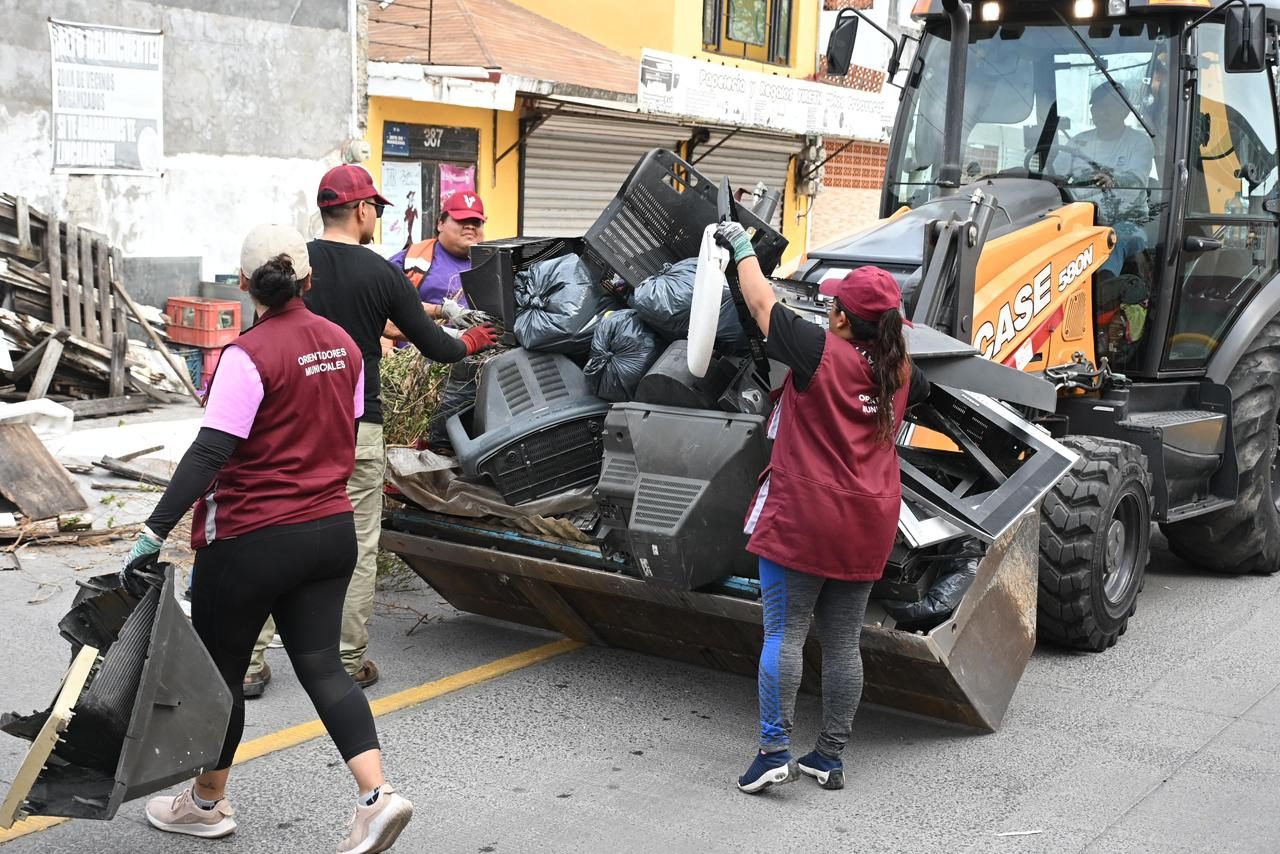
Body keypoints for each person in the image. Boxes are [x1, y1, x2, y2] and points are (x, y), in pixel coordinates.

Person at [124, 224, 414, 852]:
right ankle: (377, 797)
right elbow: (344, 431)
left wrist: (152, 532)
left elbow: (210, 453)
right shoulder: (345, 344)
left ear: (244, 284)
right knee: (324, 667)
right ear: (309, 280)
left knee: (223, 675)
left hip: (252, 539)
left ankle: (206, 804)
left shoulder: (247, 355)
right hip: (331, 530)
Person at [243, 166, 496, 697]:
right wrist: (472, 340)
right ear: (361, 210)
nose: (375, 217)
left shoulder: (293, 266)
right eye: (375, 209)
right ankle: (346, 660)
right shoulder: (380, 272)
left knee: (272, 538)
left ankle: (248, 664)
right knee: (355, 546)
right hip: (354, 428)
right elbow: (438, 348)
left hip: (286, 428)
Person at [714, 222, 927, 795]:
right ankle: (829, 757)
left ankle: (773, 750)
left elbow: (762, 302)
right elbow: (920, 394)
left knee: (784, 634)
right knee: (842, 642)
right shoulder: (902, 370)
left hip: (806, 518)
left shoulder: (816, 350)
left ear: (840, 318)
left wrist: (741, 247)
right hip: (869, 522)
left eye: (834, 306)